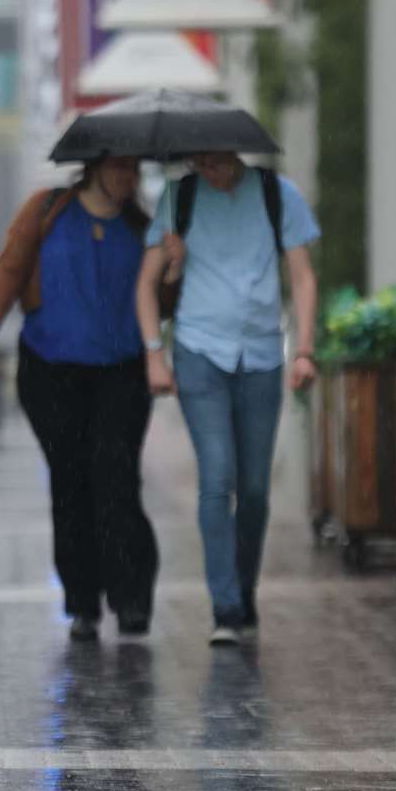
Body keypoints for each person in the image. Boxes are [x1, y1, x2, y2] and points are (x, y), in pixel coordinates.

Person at [0, 156, 159, 642]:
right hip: (51, 369)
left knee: (116, 477)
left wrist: (173, 269)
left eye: (132, 170)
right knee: (71, 480)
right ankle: (83, 602)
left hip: (121, 371)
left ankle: (132, 597)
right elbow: (11, 266)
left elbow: (163, 301)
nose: (126, 177)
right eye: (118, 168)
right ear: (94, 167)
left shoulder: (142, 226)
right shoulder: (48, 209)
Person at [136, 151, 320, 647]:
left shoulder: (277, 195)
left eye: (218, 164)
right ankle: (225, 607)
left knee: (255, 489)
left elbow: (302, 276)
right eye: (202, 164)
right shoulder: (180, 197)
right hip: (199, 353)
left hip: (262, 356)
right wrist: (156, 353)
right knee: (217, 478)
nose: (211, 173)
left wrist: (304, 349)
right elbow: (145, 286)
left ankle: (243, 588)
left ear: (236, 154)